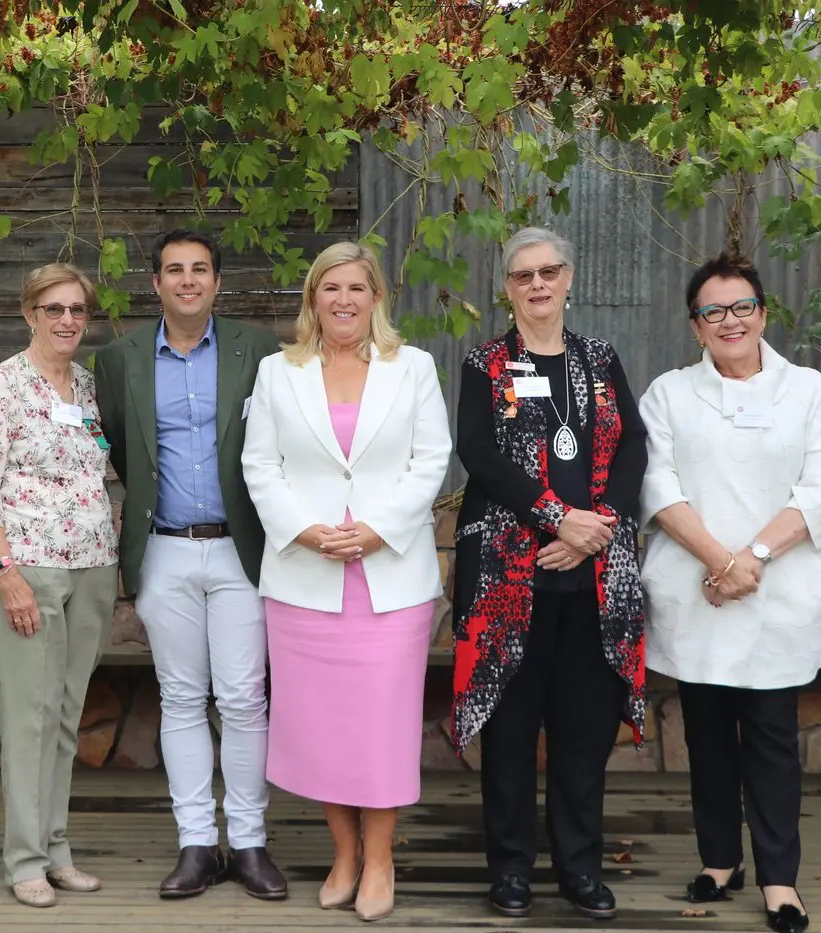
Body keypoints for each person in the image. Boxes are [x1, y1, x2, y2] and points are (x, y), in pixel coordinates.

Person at [639, 254, 821, 933]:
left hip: (773, 590)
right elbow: (656, 485)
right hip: (699, 589)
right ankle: (718, 858)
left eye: (739, 307)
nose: (728, 320)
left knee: (767, 736)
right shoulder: (668, 394)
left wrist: (751, 557)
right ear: (694, 325)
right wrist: (717, 560)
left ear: (761, 312)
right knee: (705, 734)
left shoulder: (807, 390)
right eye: (712, 311)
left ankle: (779, 878)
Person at [241, 242, 452, 922]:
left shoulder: (411, 367)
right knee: (322, 726)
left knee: (380, 726)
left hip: (388, 576)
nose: (342, 299)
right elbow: (259, 466)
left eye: (356, 287)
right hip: (305, 576)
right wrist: (305, 530)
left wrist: (374, 529)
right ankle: (343, 853)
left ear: (375, 298)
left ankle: (381, 856)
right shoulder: (279, 372)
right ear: (312, 298)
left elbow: (431, 461)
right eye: (329, 286)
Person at [452, 227, 648, 921]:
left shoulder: (600, 359)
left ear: (567, 278)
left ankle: (578, 868)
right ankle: (508, 871)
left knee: (583, 732)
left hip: (593, 579)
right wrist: (552, 516)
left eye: (548, 271)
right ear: (506, 289)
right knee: (508, 734)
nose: (536, 284)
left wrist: (594, 527)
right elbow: (477, 451)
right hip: (511, 578)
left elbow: (632, 445)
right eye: (522, 275)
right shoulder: (485, 363)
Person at [94, 230, 287, 901]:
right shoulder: (119, 358)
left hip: (241, 548)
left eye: (199, 269)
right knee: (179, 696)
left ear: (216, 281)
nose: (186, 280)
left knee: (242, 696)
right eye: (173, 270)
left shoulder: (256, 350)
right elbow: (121, 446)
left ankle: (250, 842)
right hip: (164, 547)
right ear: (154, 282)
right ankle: (197, 844)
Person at [0, 263, 120, 908]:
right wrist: (3, 573)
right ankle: (24, 858)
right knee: (27, 715)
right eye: (53, 309)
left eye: (77, 310)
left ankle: (56, 850)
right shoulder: (2, 384)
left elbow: (102, 470)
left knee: (64, 714)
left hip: (91, 564)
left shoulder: (85, 384)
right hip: (27, 566)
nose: (66, 321)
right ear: (29, 314)